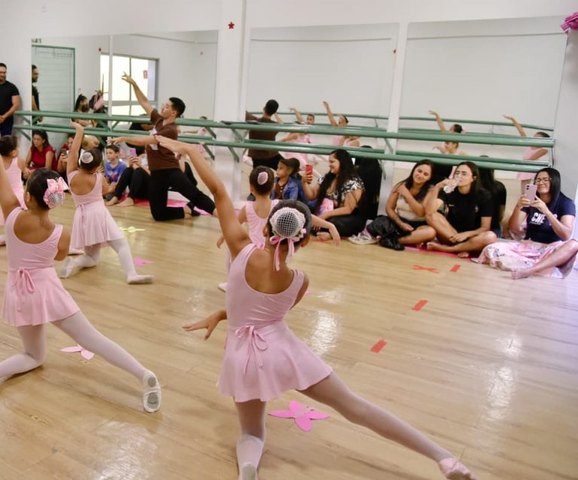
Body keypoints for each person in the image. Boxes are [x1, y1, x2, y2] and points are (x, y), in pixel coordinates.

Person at [159, 135, 476, 480]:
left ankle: (247, 471)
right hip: (283, 351)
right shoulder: (299, 280)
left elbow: (218, 191)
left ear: (265, 227)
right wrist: (223, 313)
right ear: (305, 239)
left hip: (243, 356)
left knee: (251, 434)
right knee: (354, 406)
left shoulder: (241, 249)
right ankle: (442, 457)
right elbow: (268, 315)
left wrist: (190, 152)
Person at [0, 113, 161, 413]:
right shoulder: (60, 234)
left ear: (27, 195)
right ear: (55, 200)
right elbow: (59, 257)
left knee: (33, 355)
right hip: (47, 291)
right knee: (91, 338)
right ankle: (144, 375)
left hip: (19, 291)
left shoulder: (12, 215)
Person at [112, 73, 215, 221]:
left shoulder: (171, 130)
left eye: (166, 106)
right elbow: (144, 102)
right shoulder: (159, 120)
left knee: (193, 194)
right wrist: (134, 84)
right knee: (158, 215)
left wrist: (124, 137)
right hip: (156, 173)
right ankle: (184, 209)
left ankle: (218, 212)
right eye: (163, 105)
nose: (162, 107)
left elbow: (147, 140)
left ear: (174, 112)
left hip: (170, 170)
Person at [59, 122, 153, 284]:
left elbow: (73, 151)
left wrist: (79, 131)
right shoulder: (98, 178)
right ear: (96, 166)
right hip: (98, 214)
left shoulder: (72, 174)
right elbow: (106, 191)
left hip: (81, 216)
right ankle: (131, 274)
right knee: (121, 244)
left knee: (92, 257)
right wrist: (113, 187)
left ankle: (75, 262)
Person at [478, 168, 578, 279]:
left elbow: (566, 235)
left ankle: (529, 270)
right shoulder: (531, 199)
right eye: (538, 180)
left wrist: (546, 211)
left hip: (551, 249)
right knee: (491, 248)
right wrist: (519, 206)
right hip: (528, 247)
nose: (540, 183)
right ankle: (531, 265)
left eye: (545, 179)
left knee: (574, 245)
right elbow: (514, 228)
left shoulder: (565, 203)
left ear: (555, 181)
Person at [425, 161, 497, 256]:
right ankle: (463, 248)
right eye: (457, 173)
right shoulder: (449, 190)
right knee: (432, 215)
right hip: (451, 235)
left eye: (464, 174)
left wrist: (467, 234)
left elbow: (485, 227)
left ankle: (449, 249)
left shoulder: (484, 195)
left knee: (490, 237)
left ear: (473, 178)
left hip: (472, 237)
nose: (459, 176)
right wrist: (438, 187)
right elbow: (430, 211)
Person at [302, 149, 366, 238]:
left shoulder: (353, 182)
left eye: (332, 162)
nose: (329, 165)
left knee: (334, 222)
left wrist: (324, 215)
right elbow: (312, 196)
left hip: (346, 217)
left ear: (342, 162)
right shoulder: (327, 178)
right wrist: (304, 182)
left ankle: (329, 233)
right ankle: (322, 229)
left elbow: (348, 209)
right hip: (326, 213)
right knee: (304, 210)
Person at [380, 160, 437, 247]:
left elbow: (421, 213)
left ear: (429, 177)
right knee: (380, 221)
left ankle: (394, 240)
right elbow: (389, 208)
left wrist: (407, 194)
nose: (420, 175)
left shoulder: (431, 190)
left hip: (419, 226)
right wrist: (400, 223)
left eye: (425, 174)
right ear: (414, 170)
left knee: (431, 232)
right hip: (399, 222)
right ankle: (412, 240)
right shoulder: (400, 185)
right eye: (419, 171)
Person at [503, 115, 550, 191]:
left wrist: (519, 164)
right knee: (524, 187)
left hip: (529, 168)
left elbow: (530, 159)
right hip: (524, 167)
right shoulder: (529, 144)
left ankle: (528, 199)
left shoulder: (543, 150)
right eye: (534, 136)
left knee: (528, 187)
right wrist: (513, 119)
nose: (534, 138)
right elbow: (521, 131)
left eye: (537, 137)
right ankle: (526, 198)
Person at [245, 100, 283, 170]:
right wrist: (276, 114)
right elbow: (282, 123)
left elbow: (244, 112)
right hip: (272, 155)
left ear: (264, 108)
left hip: (257, 157)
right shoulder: (275, 126)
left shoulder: (254, 121)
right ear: (274, 112)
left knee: (257, 177)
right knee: (288, 168)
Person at [428, 110, 465, 181]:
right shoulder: (447, 136)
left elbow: (450, 152)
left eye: (451, 129)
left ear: (455, 133)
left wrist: (442, 150)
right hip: (444, 167)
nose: (449, 130)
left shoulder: (455, 142)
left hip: (451, 167)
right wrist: (437, 115)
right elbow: (441, 125)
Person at [477, 165, 507, 237]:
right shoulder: (500, 187)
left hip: (475, 229)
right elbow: (501, 213)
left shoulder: (474, 187)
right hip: (494, 228)